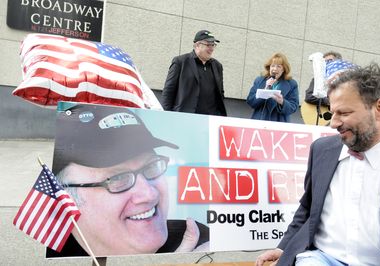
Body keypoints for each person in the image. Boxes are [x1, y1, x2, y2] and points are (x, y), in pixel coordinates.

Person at [255, 63, 380, 266]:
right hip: (320, 258)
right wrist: (283, 247)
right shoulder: (322, 150)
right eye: (333, 113)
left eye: (344, 113)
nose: (333, 123)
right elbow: (307, 208)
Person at [46, 104, 209, 257]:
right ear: (65, 197)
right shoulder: (42, 256)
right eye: (117, 178)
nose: (149, 194)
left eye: (151, 166)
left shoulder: (196, 242)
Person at [161, 30, 227, 116]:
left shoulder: (217, 66)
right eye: (208, 45)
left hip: (210, 120)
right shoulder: (180, 62)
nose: (211, 48)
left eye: (213, 45)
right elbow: (168, 92)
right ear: (197, 45)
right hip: (185, 118)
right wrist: (165, 116)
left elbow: (220, 93)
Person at [246, 52, 299, 122]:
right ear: (269, 67)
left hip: (279, 124)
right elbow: (251, 101)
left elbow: (293, 107)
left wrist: (282, 102)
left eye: (279, 66)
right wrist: (265, 89)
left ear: (283, 69)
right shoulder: (260, 80)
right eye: (273, 66)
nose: (275, 69)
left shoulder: (292, 84)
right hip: (259, 122)